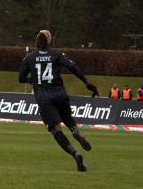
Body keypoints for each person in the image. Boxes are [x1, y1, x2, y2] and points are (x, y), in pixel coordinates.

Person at [19, 30, 99, 172]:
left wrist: (34, 80)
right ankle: (75, 132)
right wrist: (87, 84)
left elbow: (21, 79)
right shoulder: (57, 55)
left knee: (56, 130)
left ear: (37, 42)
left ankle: (75, 154)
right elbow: (72, 67)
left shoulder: (29, 58)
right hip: (60, 94)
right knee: (67, 117)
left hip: (44, 98)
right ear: (49, 43)